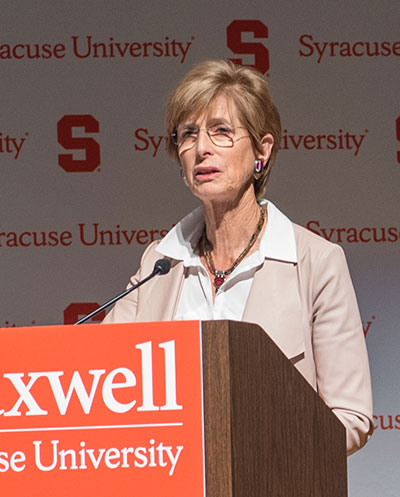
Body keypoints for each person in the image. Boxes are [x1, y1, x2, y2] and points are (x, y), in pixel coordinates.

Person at [103, 59, 373, 455]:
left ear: (261, 151)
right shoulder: (160, 263)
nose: (202, 148)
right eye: (188, 135)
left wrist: (250, 442)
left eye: (221, 131)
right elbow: (99, 377)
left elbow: (350, 419)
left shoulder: (316, 262)